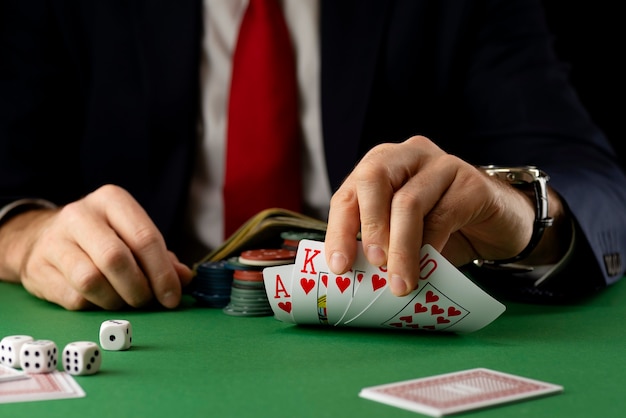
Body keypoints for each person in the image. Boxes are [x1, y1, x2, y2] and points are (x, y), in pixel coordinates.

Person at [0, 0, 625, 311]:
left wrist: (520, 212)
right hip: (152, 312)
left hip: (381, 319)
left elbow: (593, 177)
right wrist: (24, 235)